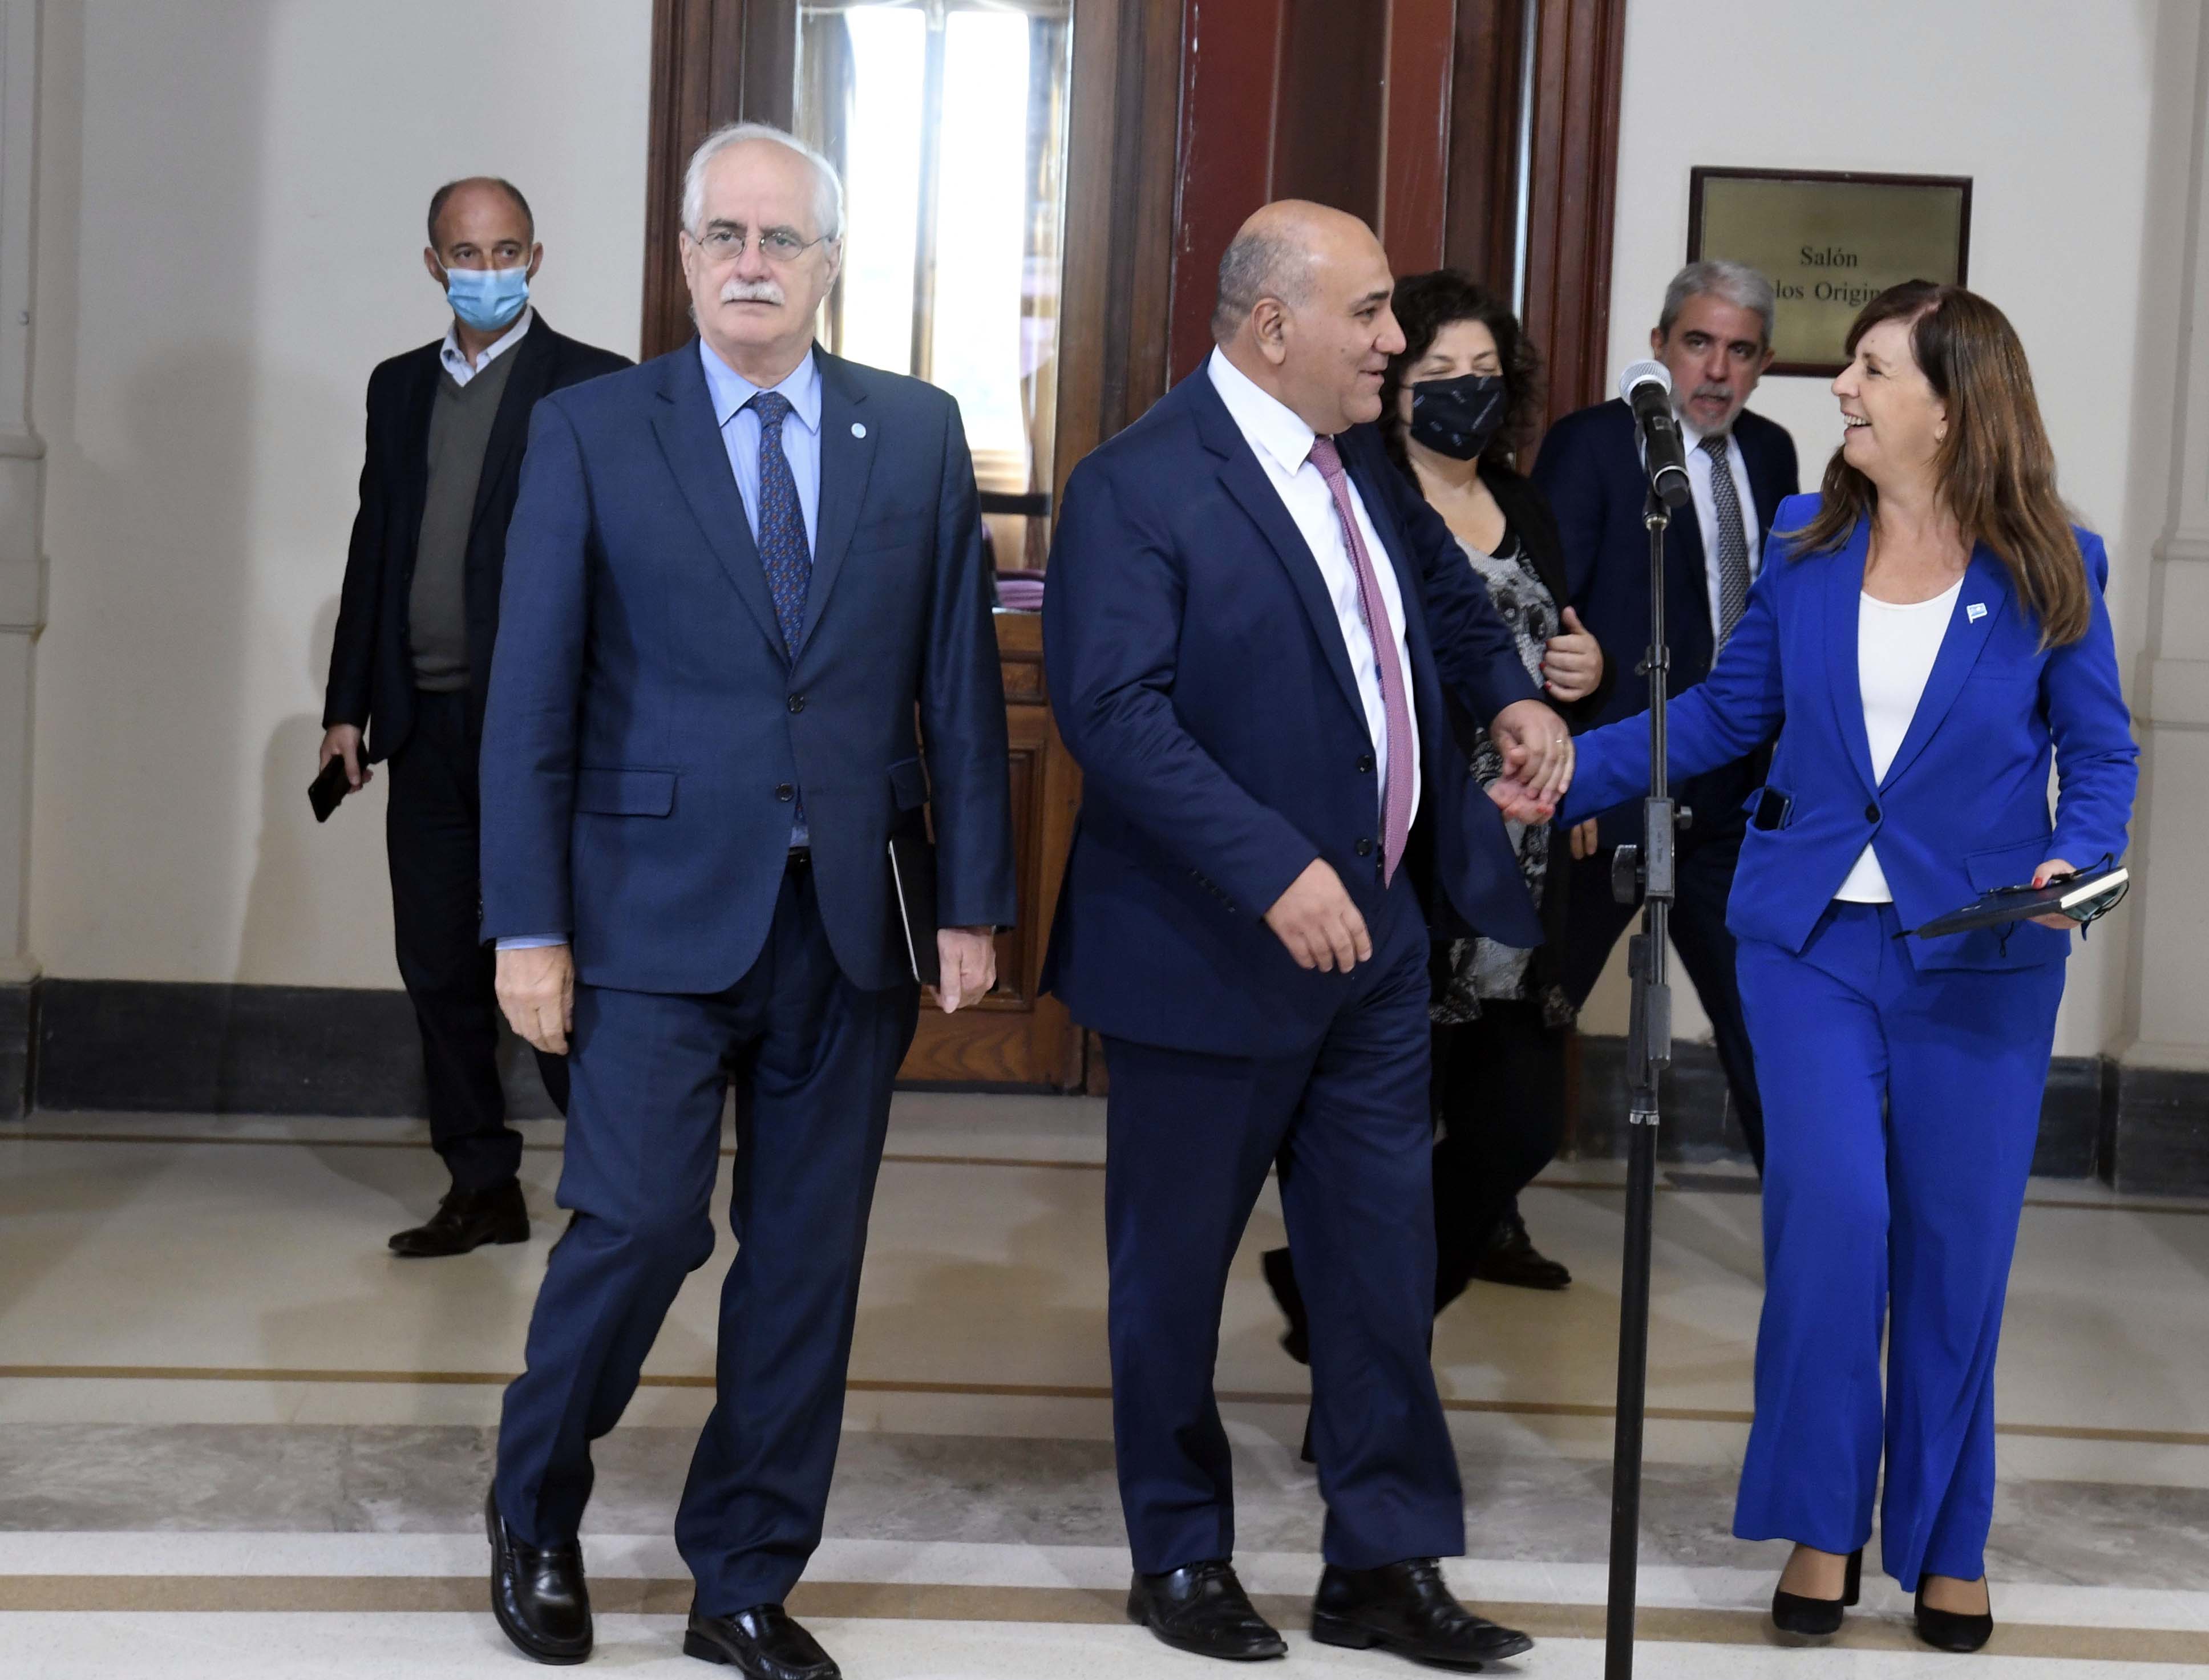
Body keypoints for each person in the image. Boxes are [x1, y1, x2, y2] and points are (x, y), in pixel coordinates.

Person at [1505, 282, 2138, 1653]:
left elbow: (2100, 760)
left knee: (1956, 1257)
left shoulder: (2056, 564)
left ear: (1952, 405)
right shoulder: (1804, 539)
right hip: (1809, 945)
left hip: (1980, 956)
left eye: (1868, 369)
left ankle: (1946, 1541)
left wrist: (2072, 866)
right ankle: (1821, 1526)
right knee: (1835, 1229)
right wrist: (1565, 769)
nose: (1838, 388)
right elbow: (1729, 713)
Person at [478, 122, 1013, 1679]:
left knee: (803, 1261)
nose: (752, 265)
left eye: (782, 240)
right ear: (684, 256)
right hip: (644, 911)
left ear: (829, 264)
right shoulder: (591, 429)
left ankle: (744, 1578)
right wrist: (528, 926)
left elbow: (957, 694)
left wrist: (969, 900)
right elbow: (530, 705)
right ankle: (535, 1511)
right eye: (724, 237)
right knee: (637, 1226)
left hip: (847, 919)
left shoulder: (912, 435)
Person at [1043, 203, 1571, 1670]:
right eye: (1374, 315)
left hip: (1379, 951)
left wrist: (1515, 695)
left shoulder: (1362, 474)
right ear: (1273, 324)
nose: (1396, 345)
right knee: (1172, 1277)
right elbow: (1115, 717)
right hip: (1208, 950)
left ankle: (1384, 1564)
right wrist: (1272, 870)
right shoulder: (1135, 486)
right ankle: (1183, 1554)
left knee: (1380, 1270)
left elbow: (1452, 619)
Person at [1259, 269, 1608, 1348]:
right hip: (1409, 849)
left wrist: (1579, 683)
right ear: (1395, 378)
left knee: (1515, 1126)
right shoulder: (1361, 494)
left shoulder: (1528, 502)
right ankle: (1366, 1366)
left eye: (1486, 375)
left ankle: (1345, 1312)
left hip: (1521, 851)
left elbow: (1555, 639)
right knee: (1384, 1135)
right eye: (1440, 373)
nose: (1465, 393)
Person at [318, 179, 628, 1258]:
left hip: (541, 740)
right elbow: (376, 545)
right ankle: (480, 1182)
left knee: (553, 962)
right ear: (432, 262)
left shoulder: (594, 385)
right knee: (439, 965)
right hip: (425, 727)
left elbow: (626, 574)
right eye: (465, 250)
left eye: (504, 250)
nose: (485, 268)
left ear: (535, 257)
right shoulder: (397, 389)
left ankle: (614, 1179)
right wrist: (345, 705)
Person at [1532, 261, 1797, 1170]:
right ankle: (1478, 1209)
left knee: (1763, 1022)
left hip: (1730, 800)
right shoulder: (1592, 446)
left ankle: (1814, 1244)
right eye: (1696, 344)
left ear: (1762, 363)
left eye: (1738, 351)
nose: (1715, 371)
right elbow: (1543, 612)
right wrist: (1562, 764)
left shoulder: (1771, 453)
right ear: (1658, 346)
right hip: (1611, 783)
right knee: (1539, 1005)